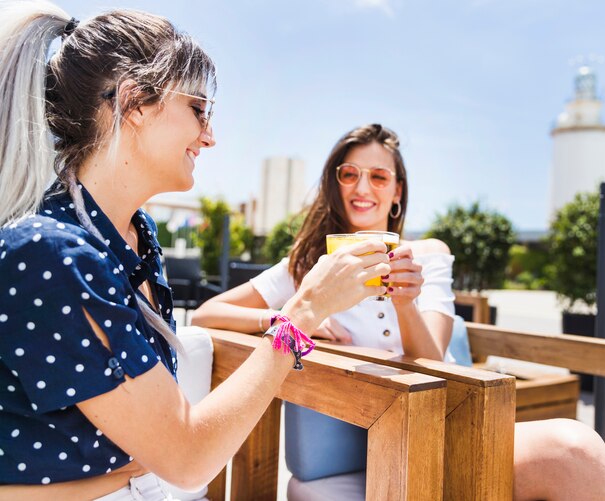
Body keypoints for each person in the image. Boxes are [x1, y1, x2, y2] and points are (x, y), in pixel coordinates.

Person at [0, 3, 393, 499]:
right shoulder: (51, 255)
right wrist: (306, 310)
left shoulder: (132, 237)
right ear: (136, 102)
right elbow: (187, 458)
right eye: (198, 109)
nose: (210, 136)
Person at [192, 124, 605, 501]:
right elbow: (208, 314)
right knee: (575, 450)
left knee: (576, 450)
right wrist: (297, 316)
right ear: (335, 183)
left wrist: (405, 302)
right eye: (350, 174)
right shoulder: (308, 269)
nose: (363, 189)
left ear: (397, 191)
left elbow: (435, 361)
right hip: (386, 433)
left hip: (459, 416)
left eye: (379, 176)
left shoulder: (428, 255)